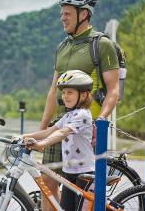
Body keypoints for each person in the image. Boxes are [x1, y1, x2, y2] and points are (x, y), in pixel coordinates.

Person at [39, 0, 120, 210]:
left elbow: (113, 89)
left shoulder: (101, 44)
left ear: (83, 14)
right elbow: (52, 91)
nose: (62, 18)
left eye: (67, 13)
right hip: (60, 121)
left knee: (79, 189)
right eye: (61, 14)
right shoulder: (63, 46)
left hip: (85, 123)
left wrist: (100, 121)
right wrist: (43, 127)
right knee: (47, 180)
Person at [23, 70, 95, 210]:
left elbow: (62, 133)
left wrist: (40, 144)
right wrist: (22, 137)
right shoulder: (69, 115)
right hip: (69, 171)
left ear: (84, 95)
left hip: (84, 173)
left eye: (70, 92)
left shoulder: (83, 115)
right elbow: (50, 131)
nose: (65, 96)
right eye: (63, 92)